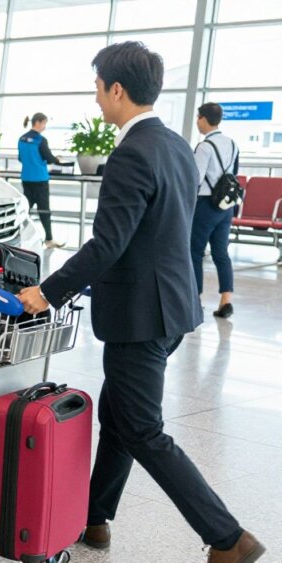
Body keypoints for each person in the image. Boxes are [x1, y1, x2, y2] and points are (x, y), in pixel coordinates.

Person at [17, 42, 264, 563]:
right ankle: (94, 518)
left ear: (116, 89)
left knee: (142, 428)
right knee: (121, 415)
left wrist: (47, 291)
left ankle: (228, 538)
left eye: (97, 87)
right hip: (171, 308)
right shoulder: (173, 143)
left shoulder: (131, 152)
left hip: (140, 315)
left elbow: (109, 244)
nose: (97, 98)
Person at [190, 102, 237, 319]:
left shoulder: (204, 147)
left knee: (194, 252)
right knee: (221, 253)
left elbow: (196, 179)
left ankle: (195, 299)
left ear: (203, 118)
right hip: (226, 205)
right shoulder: (233, 144)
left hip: (206, 204)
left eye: (198, 117)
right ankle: (226, 299)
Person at [17, 112, 66, 249]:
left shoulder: (21, 139)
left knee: (25, 209)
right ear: (37, 123)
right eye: (44, 123)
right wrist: (57, 159)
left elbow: (20, 158)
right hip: (40, 178)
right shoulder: (40, 140)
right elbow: (49, 158)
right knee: (44, 210)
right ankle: (49, 239)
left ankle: (16, 235)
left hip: (26, 178)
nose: (44, 126)